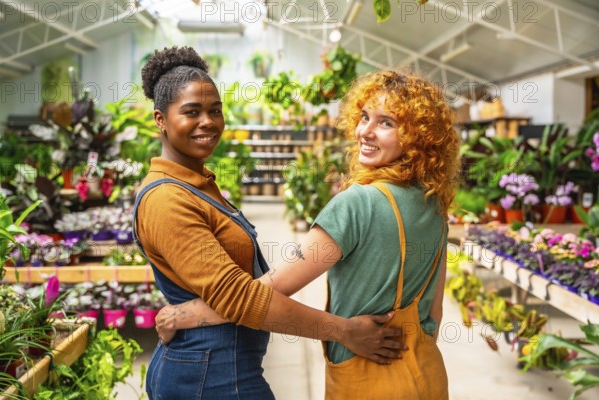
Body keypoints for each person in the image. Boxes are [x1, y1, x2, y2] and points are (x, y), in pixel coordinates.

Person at [156, 69, 461, 399]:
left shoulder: (358, 204)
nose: (365, 132)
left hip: (369, 379)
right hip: (426, 375)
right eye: (364, 117)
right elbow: (434, 314)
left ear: (419, 137)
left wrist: (186, 315)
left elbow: (273, 289)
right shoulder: (434, 205)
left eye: (386, 122)